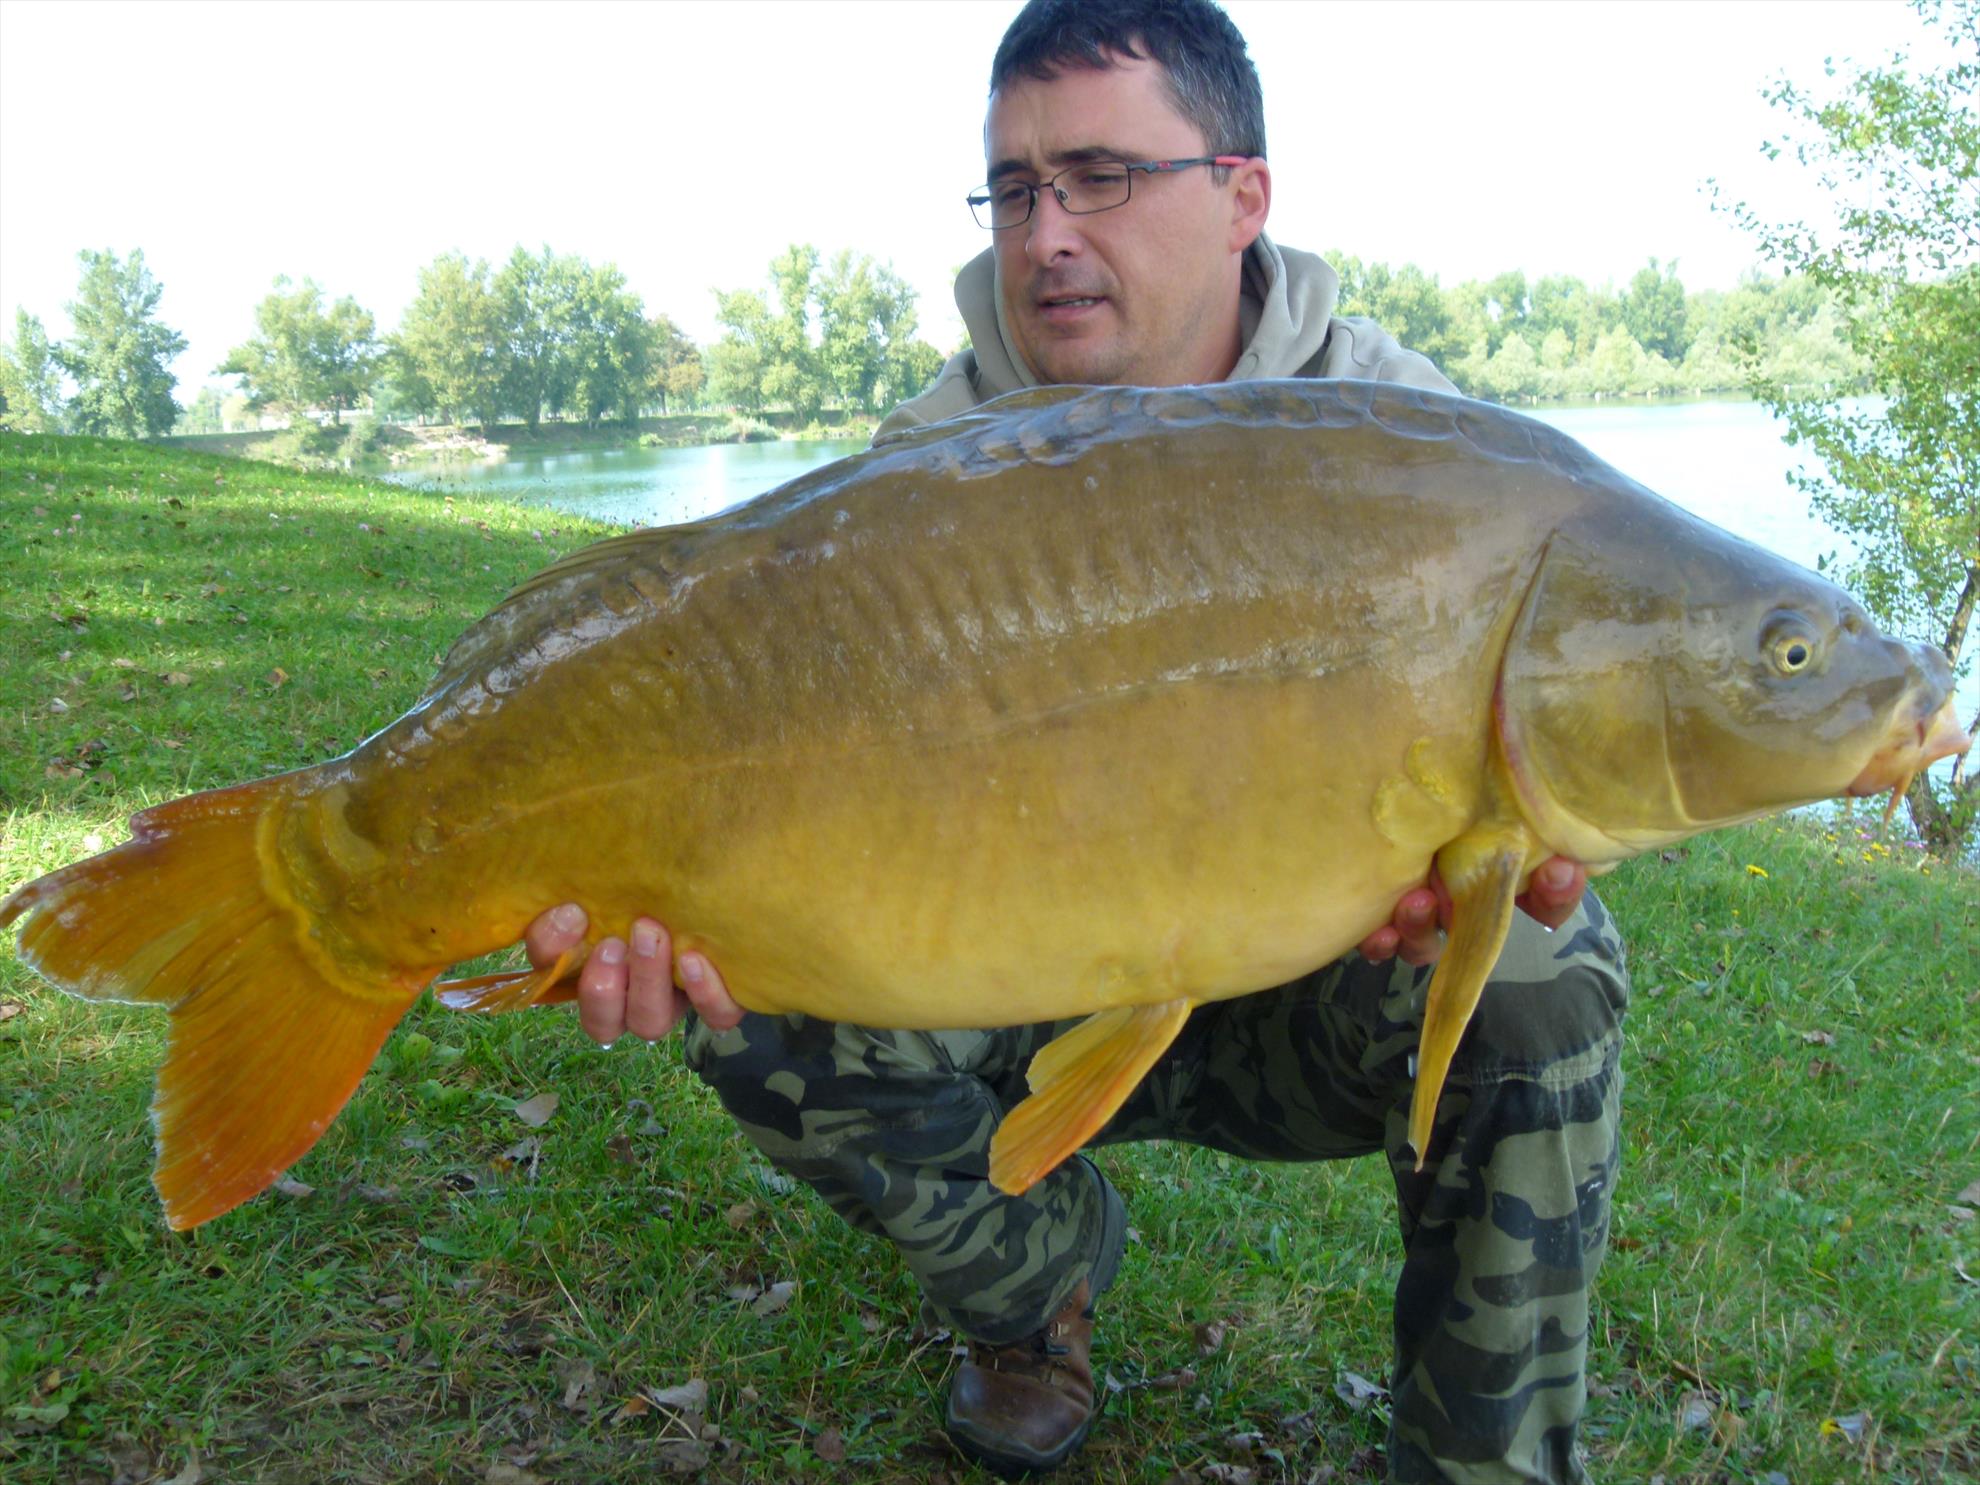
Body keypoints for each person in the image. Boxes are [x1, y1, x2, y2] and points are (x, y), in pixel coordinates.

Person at [523, 3, 1627, 1479]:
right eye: (1016, 186)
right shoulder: (929, 473)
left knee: (1545, 975)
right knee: (761, 997)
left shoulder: (1415, 453)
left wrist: (1492, 873)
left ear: (1245, 196)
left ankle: (1484, 1462)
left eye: (1102, 175)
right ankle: (1035, 1283)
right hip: (1021, 972)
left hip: (1318, 968)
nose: (1044, 232)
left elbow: (1572, 739)